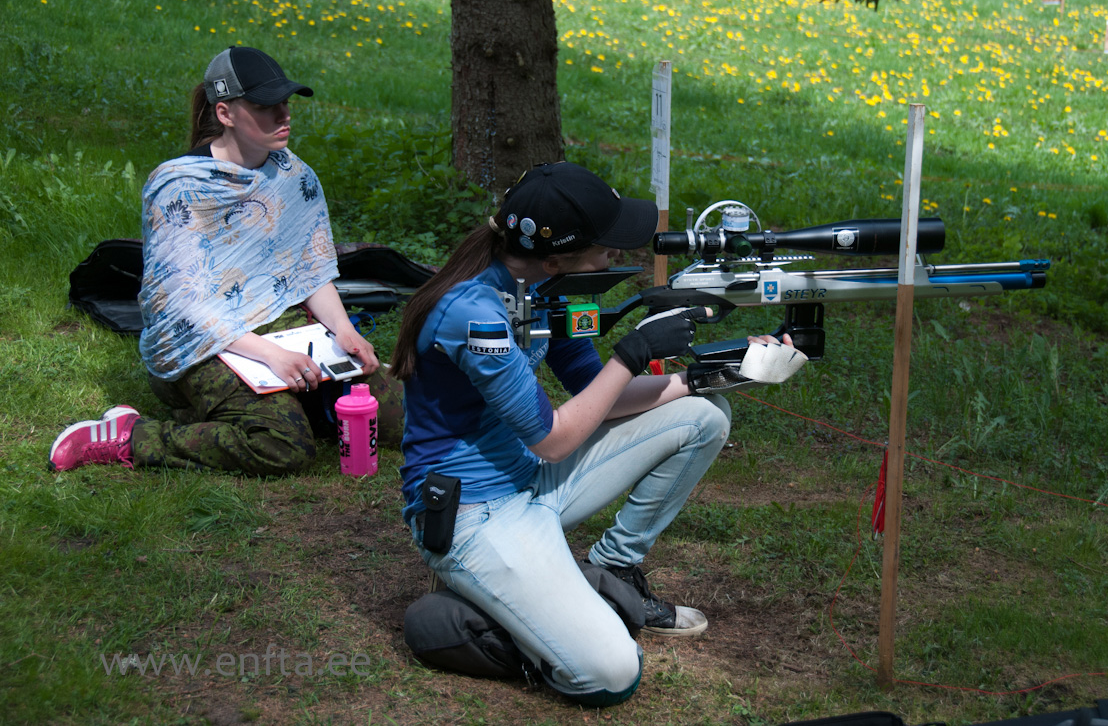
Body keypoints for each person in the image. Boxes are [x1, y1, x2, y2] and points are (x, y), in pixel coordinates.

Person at [391, 161, 798, 705]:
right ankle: (463, 614)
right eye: (607, 247)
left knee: (705, 414)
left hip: (530, 482)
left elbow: (595, 394)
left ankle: (611, 571)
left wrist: (718, 371)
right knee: (610, 674)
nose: (618, 258)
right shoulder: (474, 313)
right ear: (556, 257)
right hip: (473, 513)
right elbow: (555, 438)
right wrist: (633, 354)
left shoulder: (546, 289)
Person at [49, 46, 404, 475]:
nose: (283, 115)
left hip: (279, 328)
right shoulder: (179, 189)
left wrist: (345, 332)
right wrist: (270, 354)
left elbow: (309, 270)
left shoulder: (294, 176)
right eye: (265, 107)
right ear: (225, 113)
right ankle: (129, 436)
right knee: (283, 446)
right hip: (201, 344)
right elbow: (181, 307)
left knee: (404, 416)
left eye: (285, 103)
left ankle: (301, 404)